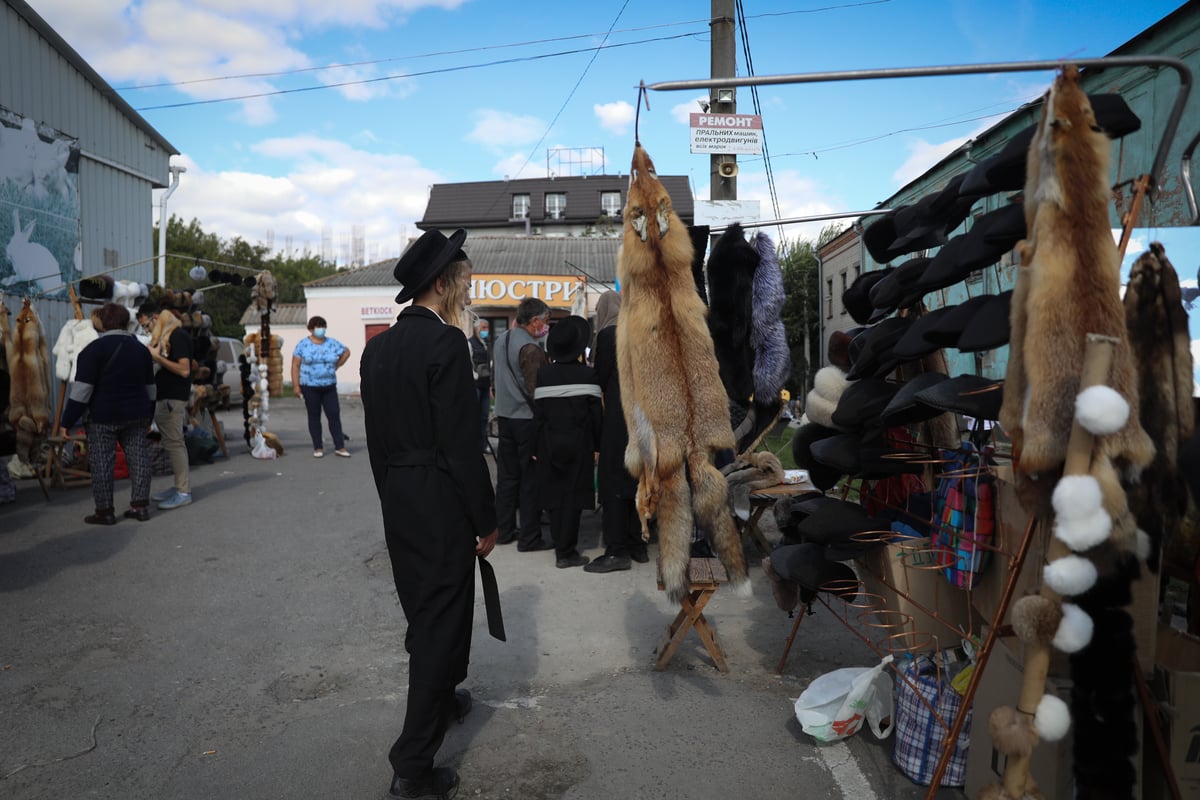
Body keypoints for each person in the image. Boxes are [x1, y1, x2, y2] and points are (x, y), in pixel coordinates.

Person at [360, 228, 498, 800]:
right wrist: (486, 520)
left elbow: (374, 443)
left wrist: (392, 495)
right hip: (440, 495)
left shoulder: (378, 349)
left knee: (427, 608)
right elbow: (463, 446)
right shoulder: (446, 346)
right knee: (441, 621)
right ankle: (412, 767)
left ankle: (444, 699)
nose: (465, 294)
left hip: (399, 494)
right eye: (461, 285)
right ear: (442, 285)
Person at [61, 303, 156, 524]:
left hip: (102, 417)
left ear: (102, 323)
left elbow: (82, 392)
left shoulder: (92, 351)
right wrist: (149, 416)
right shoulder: (141, 350)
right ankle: (140, 507)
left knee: (102, 463)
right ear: (126, 323)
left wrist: (67, 421)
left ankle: (105, 512)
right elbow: (151, 389)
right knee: (139, 459)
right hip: (136, 414)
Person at [584, 290, 647, 573]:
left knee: (612, 481)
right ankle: (638, 545)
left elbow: (599, 378)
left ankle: (616, 549)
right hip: (642, 418)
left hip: (617, 419)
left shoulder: (609, 336)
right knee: (636, 478)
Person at [533, 316, 602, 569]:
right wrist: (598, 446)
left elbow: (538, 415)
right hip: (580, 444)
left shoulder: (544, 374)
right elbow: (596, 416)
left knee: (554, 494)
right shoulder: (588, 375)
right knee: (573, 497)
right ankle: (568, 551)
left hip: (549, 443)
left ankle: (560, 547)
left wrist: (534, 448)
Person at [492, 297, 551, 551]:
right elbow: (535, 390)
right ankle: (529, 537)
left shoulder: (501, 339)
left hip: (504, 417)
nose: (545, 327)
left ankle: (504, 531)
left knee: (507, 477)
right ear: (535, 320)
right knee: (529, 480)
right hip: (526, 420)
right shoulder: (531, 348)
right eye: (545, 321)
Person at [137, 301, 194, 510]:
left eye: (146, 325)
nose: (147, 330)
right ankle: (178, 486)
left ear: (155, 318)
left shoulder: (177, 336)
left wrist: (157, 358)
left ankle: (183, 491)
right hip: (166, 398)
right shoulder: (168, 336)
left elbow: (184, 370)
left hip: (173, 398)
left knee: (175, 443)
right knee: (171, 444)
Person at [291, 316, 351, 458]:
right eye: (317, 327)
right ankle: (318, 447)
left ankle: (340, 446)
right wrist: (296, 385)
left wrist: (337, 365)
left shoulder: (331, 343)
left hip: (329, 385)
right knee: (314, 416)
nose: (320, 329)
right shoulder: (303, 345)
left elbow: (346, 352)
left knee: (334, 415)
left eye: (322, 326)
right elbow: (295, 365)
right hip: (309, 385)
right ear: (311, 329)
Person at [467, 316, 492, 455]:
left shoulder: (485, 343)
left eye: (487, 328)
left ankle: (483, 444)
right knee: (474, 416)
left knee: (484, 416)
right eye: (483, 328)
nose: (485, 331)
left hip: (485, 383)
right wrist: (474, 376)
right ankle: (474, 445)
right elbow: (467, 363)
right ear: (477, 329)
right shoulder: (470, 343)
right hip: (475, 384)